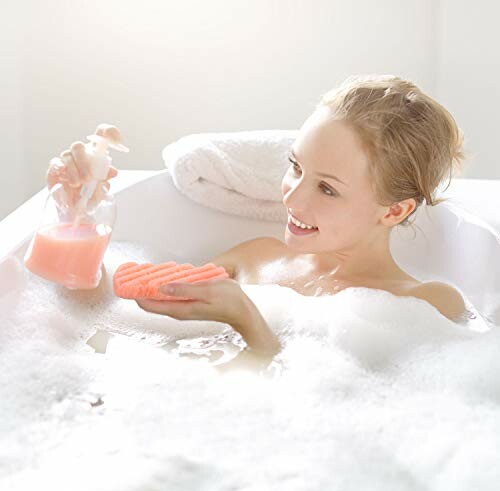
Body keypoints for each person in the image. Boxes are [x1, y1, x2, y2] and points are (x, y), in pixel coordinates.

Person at [46, 75, 468, 369]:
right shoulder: (257, 259)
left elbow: (351, 416)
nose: (293, 196)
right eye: (295, 167)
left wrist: (248, 320)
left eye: (327, 189)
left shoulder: (428, 305)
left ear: (395, 210)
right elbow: (101, 317)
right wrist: (76, 217)